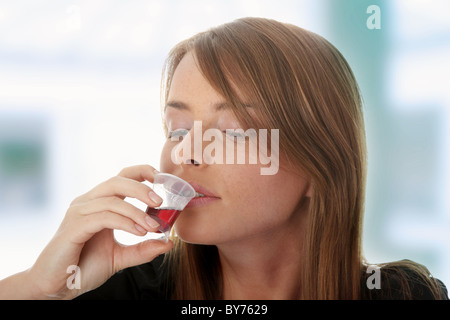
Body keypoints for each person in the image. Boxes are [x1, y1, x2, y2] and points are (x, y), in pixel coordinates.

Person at [0, 17, 447, 300]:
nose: (186, 152)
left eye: (232, 132)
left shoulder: (403, 296)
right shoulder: (124, 285)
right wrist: (42, 288)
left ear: (319, 164)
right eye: (177, 128)